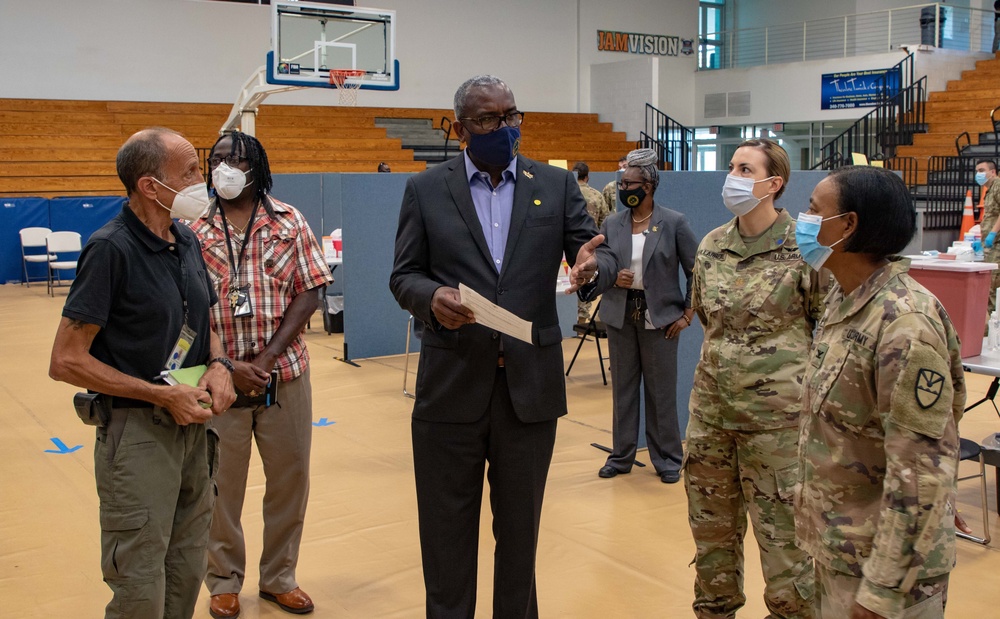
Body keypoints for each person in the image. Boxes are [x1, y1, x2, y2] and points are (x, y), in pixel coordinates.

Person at [389, 74, 598, 619]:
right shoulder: (427, 189)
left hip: (529, 392)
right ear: (460, 128)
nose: (505, 128)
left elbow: (592, 256)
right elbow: (404, 275)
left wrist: (595, 268)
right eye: (489, 119)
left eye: (512, 116)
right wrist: (431, 296)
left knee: (521, 538)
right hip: (451, 388)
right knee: (445, 537)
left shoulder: (554, 185)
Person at [48, 127, 236, 619]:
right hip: (137, 435)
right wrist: (159, 396)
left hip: (194, 425)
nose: (204, 180)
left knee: (187, 564)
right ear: (150, 186)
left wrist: (218, 366)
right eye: (191, 171)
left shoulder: (187, 240)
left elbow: (206, 322)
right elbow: (66, 360)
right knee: (140, 579)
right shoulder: (110, 249)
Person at [795, 165, 965, 619]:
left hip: (884, 579)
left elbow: (922, 469)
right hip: (841, 551)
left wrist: (883, 590)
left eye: (813, 210)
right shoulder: (843, 298)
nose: (802, 219)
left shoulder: (904, 325)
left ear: (847, 225)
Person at [190, 132, 333, 619]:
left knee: (290, 481)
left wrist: (267, 360)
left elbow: (310, 291)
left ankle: (279, 577)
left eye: (234, 160)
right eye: (216, 161)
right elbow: (187, 305)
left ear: (256, 167)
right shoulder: (193, 230)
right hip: (218, 383)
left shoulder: (289, 222)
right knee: (219, 487)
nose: (224, 168)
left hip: (284, 375)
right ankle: (224, 579)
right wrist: (227, 366)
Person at [685, 138, 821, 618]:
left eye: (746, 168)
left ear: (773, 183)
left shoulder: (805, 249)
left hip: (777, 425)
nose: (733, 176)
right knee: (712, 543)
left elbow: (824, 327)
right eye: (732, 166)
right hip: (711, 419)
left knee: (787, 549)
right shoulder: (712, 246)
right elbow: (707, 318)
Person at [579, 148, 697, 484]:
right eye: (621, 182)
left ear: (648, 185)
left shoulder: (674, 222)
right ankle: (621, 456)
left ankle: (668, 460)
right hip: (620, 313)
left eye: (630, 183)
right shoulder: (612, 222)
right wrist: (610, 275)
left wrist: (688, 314)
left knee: (661, 392)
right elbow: (604, 262)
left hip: (660, 318)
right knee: (624, 390)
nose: (623, 188)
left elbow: (696, 271)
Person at [573, 160, 612, 322]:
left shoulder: (567, 193)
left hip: (568, 242)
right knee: (585, 277)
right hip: (590, 243)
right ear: (587, 177)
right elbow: (606, 220)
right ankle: (583, 315)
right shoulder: (597, 195)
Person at [976, 160, 1000, 316]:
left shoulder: (997, 186)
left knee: (992, 285)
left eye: (982, 170)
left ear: (992, 172)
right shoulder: (989, 190)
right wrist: (982, 240)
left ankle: (991, 324)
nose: (978, 174)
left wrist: (993, 234)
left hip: (997, 244)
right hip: (991, 244)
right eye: (977, 170)